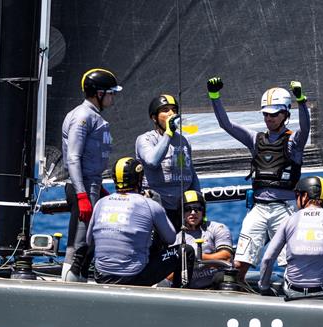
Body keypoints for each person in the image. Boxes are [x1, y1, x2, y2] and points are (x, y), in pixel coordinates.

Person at [206, 76, 311, 280]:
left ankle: (297, 295)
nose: (268, 118)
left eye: (273, 114)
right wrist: (214, 96)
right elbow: (225, 124)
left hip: (285, 210)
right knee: (239, 262)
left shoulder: (295, 141)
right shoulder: (255, 139)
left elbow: (306, 128)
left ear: (285, 113)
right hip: (259, 209)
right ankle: (236, 293)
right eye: (265, 114)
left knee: (291, 262)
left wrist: (301, 100)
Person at [87, 157, 194, 287]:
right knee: (185, 251)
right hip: (134, 277)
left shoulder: (100, 203)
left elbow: (89, 240)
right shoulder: (150, 204)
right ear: (139, 179)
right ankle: (178, 301)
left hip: (101, 276)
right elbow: (170, 238)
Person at [60, 68, 122, 280]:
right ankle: (70, 288)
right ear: (99, 93)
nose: (113, 97)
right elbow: (73, 158)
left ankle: (80, 281)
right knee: (79, 245)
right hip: (83, 186)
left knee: (87, 242)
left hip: (91, 184)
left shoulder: (93, 116)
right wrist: (82, 195)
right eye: (111, 92)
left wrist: (99, 187)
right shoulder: (83, 116)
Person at [135, 94, 201, 230]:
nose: (171, 113)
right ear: (154, 118)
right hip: (156, 208)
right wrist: (168, 134)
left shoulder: (184, 140)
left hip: (181, 210)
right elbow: (152, 161)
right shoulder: (145, 139)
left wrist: (199, 203)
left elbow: (192, 173)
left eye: (174, 110)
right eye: (165, 110)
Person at [173, 189, 234, 289]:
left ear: (203, 211)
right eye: (188, 209)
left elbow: (226, 257)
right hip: (191, 290)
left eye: (197, 208)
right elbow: (169, 275)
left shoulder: (217, 228)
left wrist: (197, 257)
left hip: (216, 286)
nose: (193, 212)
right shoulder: (176, 239)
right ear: (182, 212)